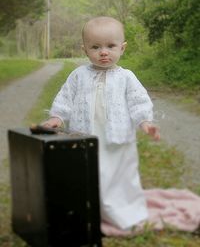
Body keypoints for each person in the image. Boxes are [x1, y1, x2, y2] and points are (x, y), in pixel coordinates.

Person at [42, 16, 160, 231]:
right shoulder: (78, 75)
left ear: (122, 48)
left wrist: (145, 122)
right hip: (86, 135)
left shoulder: (126, 77)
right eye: (95, 47)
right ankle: (89, 209)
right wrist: (57, 117)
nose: (103, 52)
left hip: (118, 139)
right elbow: (65, 98)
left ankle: (125, 212)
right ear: (85, 50)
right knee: (88, 173)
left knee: (121, 174)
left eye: (110, 46)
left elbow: (138, 101)